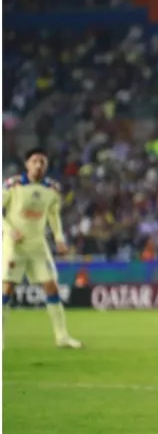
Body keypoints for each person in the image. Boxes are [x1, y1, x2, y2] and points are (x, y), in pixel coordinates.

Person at [2, 148, 80, 349]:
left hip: (38, 246)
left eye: (42, 162)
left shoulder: (52, 189)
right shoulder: (13, 185)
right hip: (15, 245)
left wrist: (59, 239)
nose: (38, 165)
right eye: (35, 161)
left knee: (51, 286)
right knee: (7, 289)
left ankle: (62, 337)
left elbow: (54, 216)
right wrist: (9, 231)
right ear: (27, 164)